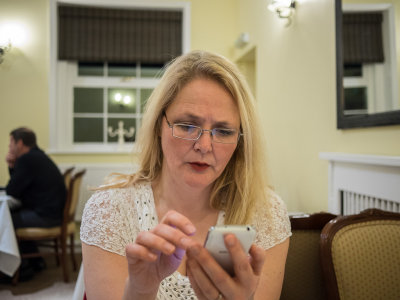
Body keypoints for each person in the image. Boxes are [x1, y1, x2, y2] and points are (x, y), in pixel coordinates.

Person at [81, 50, 291, 300]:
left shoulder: (266, 213)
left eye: (223, 131)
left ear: (240, 142)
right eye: (187, 126)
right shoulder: (109, 211)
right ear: (159, 126)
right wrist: (140, 290)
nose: (204, 145)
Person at [5, 127, 67, 273]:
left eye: (11, 143)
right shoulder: (38, 156)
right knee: (11, 215)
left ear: (19, 143)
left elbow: (12, 190)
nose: (9, 147)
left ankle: (15, 267)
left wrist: (11, 165)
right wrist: (13, 166)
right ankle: (34, 261)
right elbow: (18, 188)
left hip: (46, 217)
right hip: (53, 213)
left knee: (5, 220)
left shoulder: (27, 159)